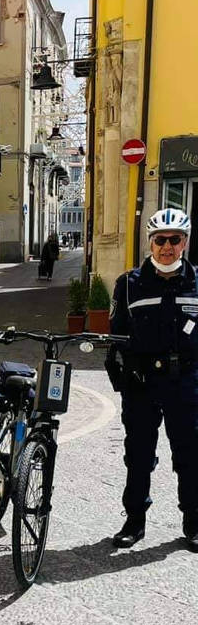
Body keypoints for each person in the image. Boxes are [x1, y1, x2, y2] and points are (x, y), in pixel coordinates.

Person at [107, 208, 198, 551]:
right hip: (141, 382)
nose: (167, 247)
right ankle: (135, 521)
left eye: (175, 240)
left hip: (186, 382)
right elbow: (115, 338)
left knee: (190, 454)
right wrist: (124, 378)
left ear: (185, 242)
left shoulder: (197, 282)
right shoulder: (129, 285)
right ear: (150, 242)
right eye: (160, 240)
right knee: (139, 455)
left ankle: (193, 521)